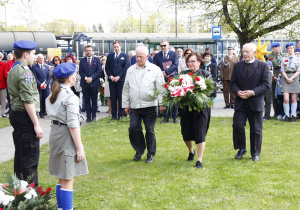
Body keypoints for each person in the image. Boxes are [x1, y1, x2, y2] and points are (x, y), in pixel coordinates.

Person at [46, 62, 88, 210]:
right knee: (68, 176)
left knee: (61, 176)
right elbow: (73, 124)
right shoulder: (70, 96)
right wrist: (79, 147)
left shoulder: (54, 93)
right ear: (71, 78)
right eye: (75, 75)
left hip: (55, 133)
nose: (76, 77)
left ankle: (60, 208)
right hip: (65, 135)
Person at [7, 40, 43, 185]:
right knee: (29, 159)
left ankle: (19, 192)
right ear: (26, 54)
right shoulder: (24, 72)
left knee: (21, 156)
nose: (35, 57)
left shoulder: (14, 69)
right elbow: (28, 100)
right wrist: (36, 124)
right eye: (34, 54)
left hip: (16, 115)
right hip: (25, 117)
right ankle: (31, 198)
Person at [122, 45, 165, 163]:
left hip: (150, 105)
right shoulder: (130, 70)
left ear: (147, 56)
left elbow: (161, 87)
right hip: (135, 105)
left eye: (141, 57)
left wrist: (162, 103)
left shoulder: (155, 69)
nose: (139, 59)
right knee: (133, 128)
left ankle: (150, 153)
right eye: (137, 56)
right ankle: (139, 149)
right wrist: (126, 104)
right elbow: (126, 88)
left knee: (149, 130)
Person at [230, 43, 269, 162]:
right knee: (238, 125)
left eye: (247, 51)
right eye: (243, 51)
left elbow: (265, 85)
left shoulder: (263, 66)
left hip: (255, 102)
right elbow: (233, 83)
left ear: (254, 53)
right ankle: (241, 148)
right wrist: (238, 92)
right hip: (240, 102)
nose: (245, 54)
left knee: (256, 129)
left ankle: (255, 153)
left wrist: (252, 92)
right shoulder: (237, 66)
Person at [179, 52, 212, 168]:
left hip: (201, 108)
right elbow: (177, 89)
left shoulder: (206, 74)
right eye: (188, 61)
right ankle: (191, 151)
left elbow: (211, 90)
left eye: (193, 61)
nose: (190, 63)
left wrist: (199, 90)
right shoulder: (183, 74)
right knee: (186, 134)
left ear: (199, 62)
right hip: (186, 108)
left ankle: (199, 160)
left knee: (200, 133)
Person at [153, 40, 179, 123]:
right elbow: (155, 66)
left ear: (168, 45)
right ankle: (166, 117)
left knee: (173, 97)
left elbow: (175, 65)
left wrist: (166, 72)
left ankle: (175, 117)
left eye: (164, 45)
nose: (163, 47)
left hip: (172, 78)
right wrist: (162, 74)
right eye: (161, 46)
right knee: (164, 98)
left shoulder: (174, 54)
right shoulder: (157, 55)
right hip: (162, 79)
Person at [105, 41, 130, 121]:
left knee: (120, 97)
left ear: (120, 46)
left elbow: (126, 67)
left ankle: (120, 115)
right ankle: (113, 115)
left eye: (117, 47)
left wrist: (119, 76)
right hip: (112, 80)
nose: (116, 48)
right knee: (113, 98)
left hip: (121, 80)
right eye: (115, 47)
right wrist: (111, 76)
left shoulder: (125, 56)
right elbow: (107, 67)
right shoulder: (110, 56)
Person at [79, 44, 102, 122]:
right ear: (85, 51)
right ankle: (88, 117)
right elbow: (80, 72)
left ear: (92, 51)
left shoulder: (97, 60)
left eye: (90, 50)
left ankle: (94, 116)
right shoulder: (82, 61)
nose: (88, 52)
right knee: (87, 101)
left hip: (94, 83)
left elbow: (99, 71)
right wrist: (86, 78)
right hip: (85, 84)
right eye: (87, 51)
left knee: (94, 101)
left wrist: (92, 78)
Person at [281, 43, 300, 122]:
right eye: (288, 48)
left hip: (294, 77)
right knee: (285, 99)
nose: (290, 49)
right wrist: (287, 78)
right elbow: (282, 70)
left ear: (294, 49)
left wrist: (291, 78)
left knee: (294, 98)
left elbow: (299, 70)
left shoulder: (298, 58)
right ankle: (286, 115)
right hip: (286, 77)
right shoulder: (284, 58)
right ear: (287, 49)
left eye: (291, 48)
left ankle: (292, 115)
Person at [31, 53, 51, 119]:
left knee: (46, 99)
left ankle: (47, 112)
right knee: (40, 99)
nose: (42, 59)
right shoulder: (34, 67)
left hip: (46, 87)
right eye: (40, 58)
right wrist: (40, 84)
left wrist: (46, 84)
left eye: (42, 58)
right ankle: (41, 113)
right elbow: (34, 77)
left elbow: (49, 77)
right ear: (37, 59)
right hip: (39, 87)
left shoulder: (47, 67)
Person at [267, 42, 283, 116]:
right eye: (278, 47)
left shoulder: (281, 55)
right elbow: (269, 68)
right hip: (273, 76)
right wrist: (273, 76)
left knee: (281, 94)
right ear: (273, 48)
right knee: (274, 95)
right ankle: (276, 112)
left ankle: (282, 112)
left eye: (280, 47)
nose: (279, 48)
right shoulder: (269, 56)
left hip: (281, 75)